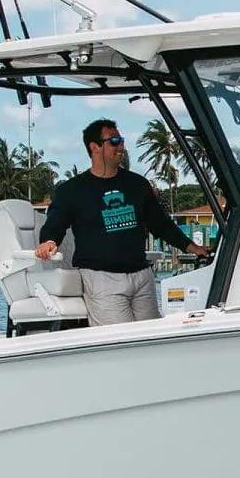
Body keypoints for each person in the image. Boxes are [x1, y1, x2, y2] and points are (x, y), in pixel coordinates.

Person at [35, 118, 213, 326]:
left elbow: (161, 224)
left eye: (121, 141)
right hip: (102, 280)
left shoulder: (137, 184)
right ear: (94, 147)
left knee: (152, 339)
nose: (121, 146)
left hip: (142, 276)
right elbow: (55, 224)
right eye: (114, 141)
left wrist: (192, 247)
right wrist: (48, 241)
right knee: (120, 340)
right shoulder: (72, 190)